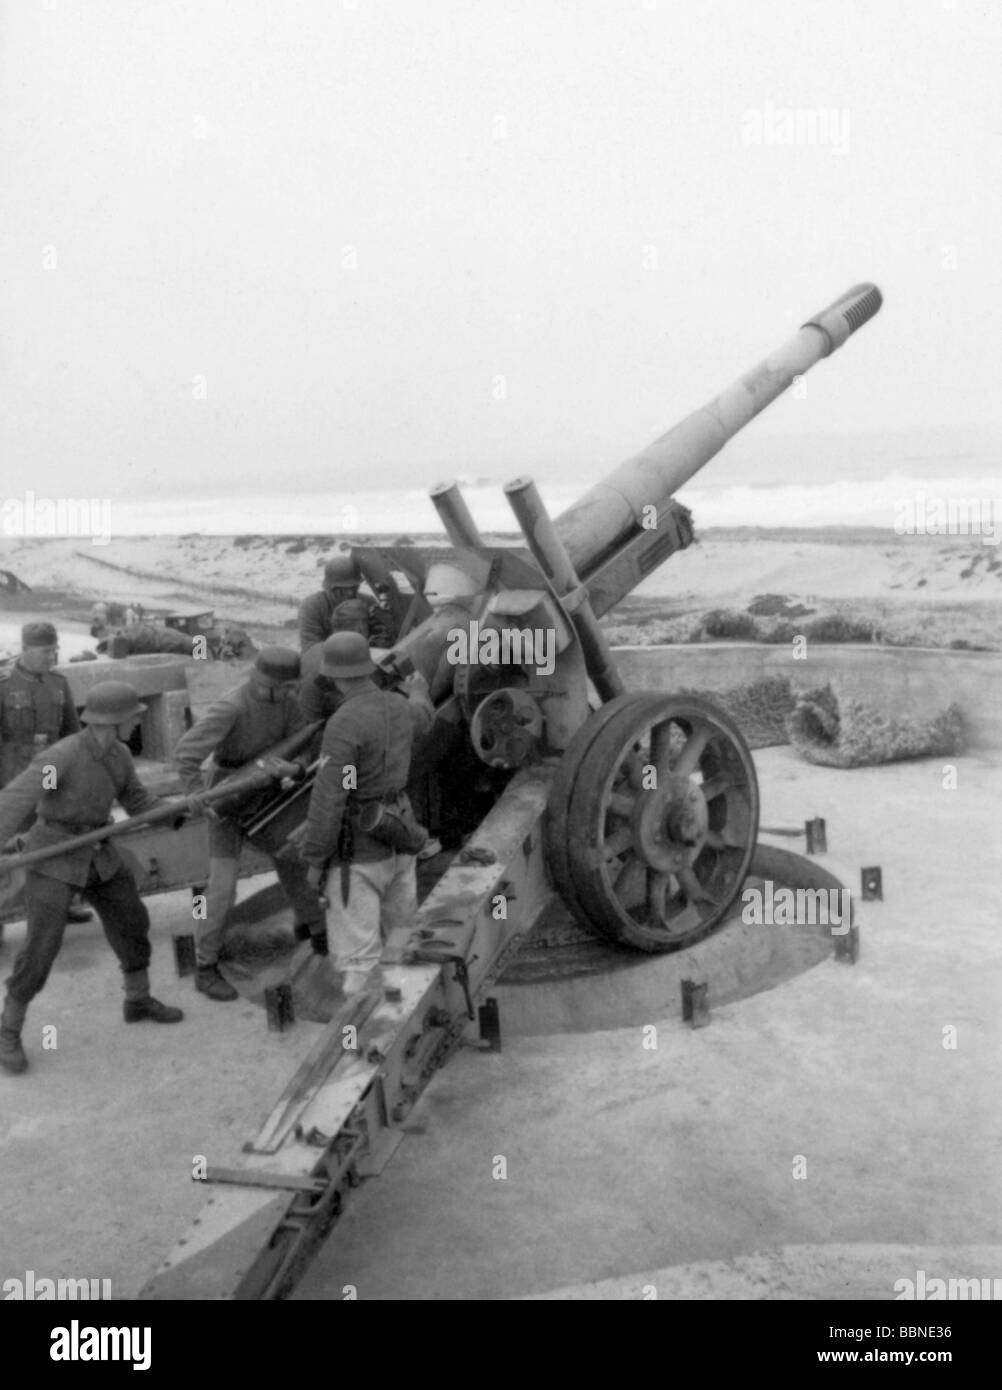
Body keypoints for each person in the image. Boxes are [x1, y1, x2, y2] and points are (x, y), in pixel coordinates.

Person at [0, 680, 185, 1076]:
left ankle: (137, 999)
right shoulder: (63, 757)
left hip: (99, 854)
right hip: (54, 855)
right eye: (134, 718)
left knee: (132, 921)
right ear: (113, 720)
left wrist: (177, 811)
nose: (137, 724)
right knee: (42, 947)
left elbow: (136, 801)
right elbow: (20, 798)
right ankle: (9, 1029)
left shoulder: (118, 755)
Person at [173, 647, 325, 1000]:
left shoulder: (288, 702)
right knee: (222, 888)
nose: (290, 695)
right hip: (227, 799)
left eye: (293, 688)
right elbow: (186, 753)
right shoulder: (233, 706)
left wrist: (295, 768)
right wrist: (197, 793)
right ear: (262, 682)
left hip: (268, 795)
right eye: (284, 688)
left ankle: (315, 930)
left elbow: (302, 745)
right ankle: (205, 965)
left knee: (292, 859)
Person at [296, 632, 434, 996]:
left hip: (357, 857)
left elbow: (330, 797)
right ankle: (407, 1015)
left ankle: (362, 1044)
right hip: (400, 839)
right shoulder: (400, 707)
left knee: (359, 965)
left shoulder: (343, 723)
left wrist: (314, 860)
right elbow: (424, 716)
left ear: (333, 677)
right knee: (404, 945)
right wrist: (418, 689)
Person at [0, 622, 93, 943]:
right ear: (24, 649)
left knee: (53, 838)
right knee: (8, 848)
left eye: (54, 650)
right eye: (44, 651)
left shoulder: (58, 683)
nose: (51, 656)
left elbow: (71, 734)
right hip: (14, 778)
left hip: (52, 775)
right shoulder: (4, 684)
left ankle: (59, 907)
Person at [297, 554, 394, 652]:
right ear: (330, 588)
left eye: (354, 587)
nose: (351, 593)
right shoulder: (312, 606)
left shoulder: (367, 601)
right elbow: (311, 649)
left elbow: (382, 637)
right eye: (343, 589)